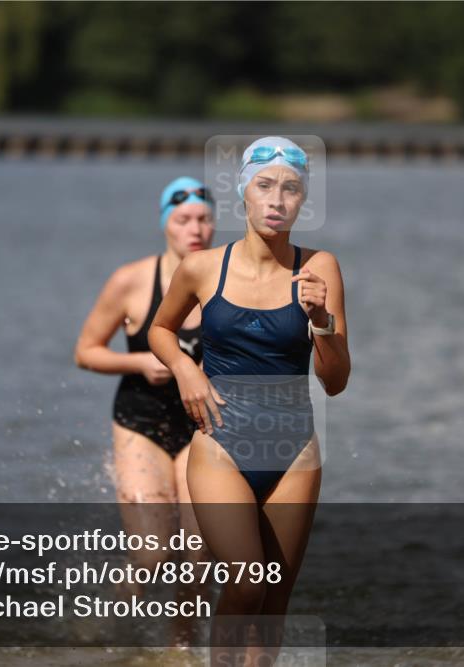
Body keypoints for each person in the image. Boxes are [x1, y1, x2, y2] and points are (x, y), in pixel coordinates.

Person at [149, 138, 350, 664]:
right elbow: (160, 330)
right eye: (265, 186)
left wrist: (322, 324)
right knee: (245, 584)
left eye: (291, 189)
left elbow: (336, 382)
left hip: (294, 452)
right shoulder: (202, 268)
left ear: (303, 200)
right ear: (243, 192)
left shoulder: (319, 268)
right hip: (221, 443)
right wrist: (186, 368)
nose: (277, 200)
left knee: (274, 600)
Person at [73, 176, 216, 646]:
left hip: (203, 428)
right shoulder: (131, 281)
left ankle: (182, 647)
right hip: (141, 421)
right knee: (153, 553)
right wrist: (139, 360)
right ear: (165, 226)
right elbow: (86, 351)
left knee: (198, 552)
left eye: (204, 219)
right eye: (183, 220)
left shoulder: (227, 280)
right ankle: (102, 628)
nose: (194, 229)